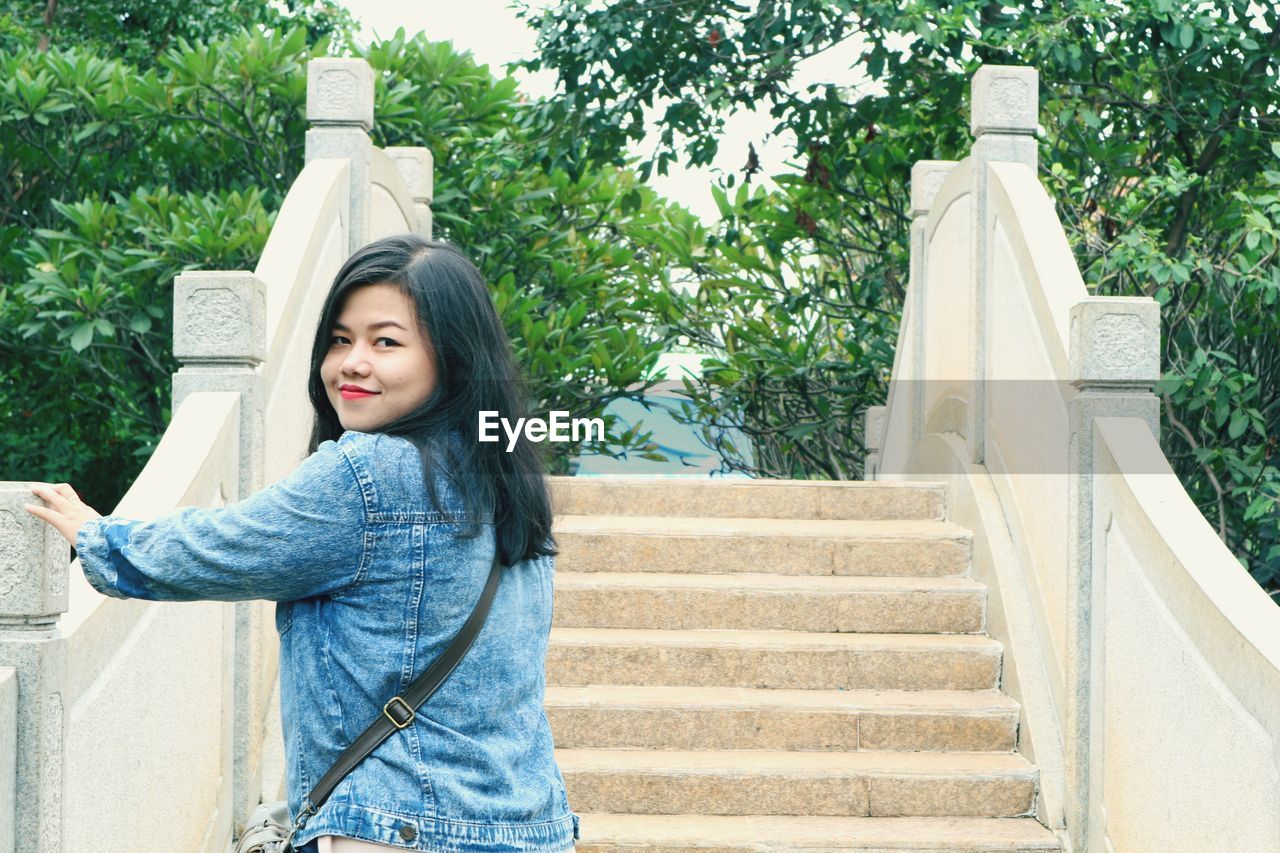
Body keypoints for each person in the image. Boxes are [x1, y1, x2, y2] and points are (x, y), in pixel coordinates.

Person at [25, 235, 580, 853]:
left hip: (399, 826)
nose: (352, 362)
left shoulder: (369, 473)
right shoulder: (509, 482)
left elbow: (230, 544)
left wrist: (103, 539)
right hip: (530, 823)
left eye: (385, 341)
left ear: (452, 358)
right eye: (340, 340)